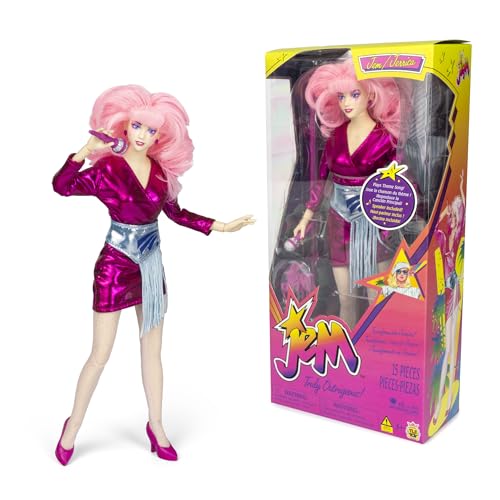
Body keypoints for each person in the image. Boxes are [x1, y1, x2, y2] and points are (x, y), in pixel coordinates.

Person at [53, 85, 254, 465]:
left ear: (162, 136)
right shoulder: (107, 169)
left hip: (150, 267)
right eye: (137, 126)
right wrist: (83, 151)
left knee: (152, 352)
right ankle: (73, 426)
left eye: (151, 130)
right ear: (123, 126)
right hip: (115, 267)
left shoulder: (161, 174)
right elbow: (61, 187)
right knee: (100, 353)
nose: (143, 135)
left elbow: (177, 213)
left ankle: (157, 425)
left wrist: (221, 226)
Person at [293, 58, 407, 327]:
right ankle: (347, 351)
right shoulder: (335, 137)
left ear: (371, 94)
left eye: (354, 94)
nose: (347, 102)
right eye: (341, 96)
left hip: (375, 223)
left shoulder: (386, 138)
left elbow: (402, 185)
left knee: (376, 298)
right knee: (346, 299)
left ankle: (378, 347)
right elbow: (320, 179)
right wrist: (306, 217)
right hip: (339, 221)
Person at [432, 171, 465, 425]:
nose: (451, 218)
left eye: (454, 214)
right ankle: (437, 406)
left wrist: (461, 188)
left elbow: (460, 204)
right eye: (450, 215)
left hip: (454, 293)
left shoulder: (458, 235)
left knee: (451, 344)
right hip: (444, 294)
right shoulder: (443, 237)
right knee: (443, 346)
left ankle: (447, 398)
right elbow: (435, 227)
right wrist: (444, 211)